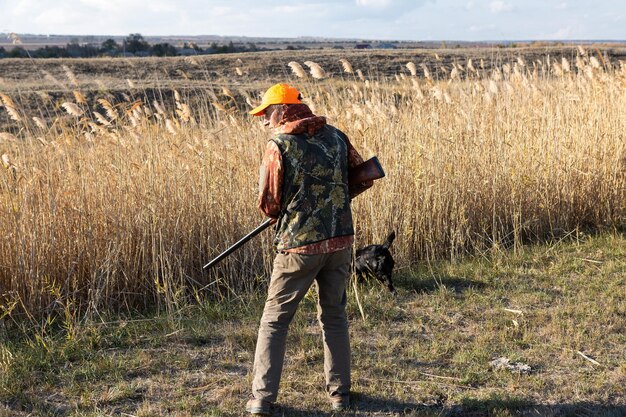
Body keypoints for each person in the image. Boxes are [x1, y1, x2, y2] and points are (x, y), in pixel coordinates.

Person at [246, 83, 372, 415]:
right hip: (341, 241)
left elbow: (269, 203)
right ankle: (340, 395)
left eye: (265, 114)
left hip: (298, 248)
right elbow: (361, 178)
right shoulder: (336, 137)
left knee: (274, 321)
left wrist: (289, 211)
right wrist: (331, 202)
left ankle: (262, 399)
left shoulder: (279, 145)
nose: (263, 122)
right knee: (334, 316)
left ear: (280, 110)